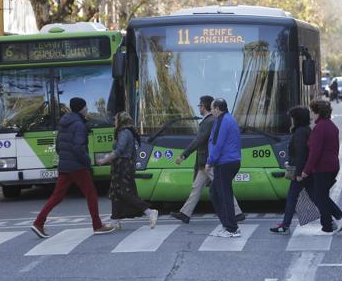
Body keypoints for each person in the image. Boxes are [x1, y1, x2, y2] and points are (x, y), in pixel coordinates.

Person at [32, 97, 115, 238]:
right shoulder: (79, 125)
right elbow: (78, 148)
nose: (87, 109)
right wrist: (87, 163)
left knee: (57, 196)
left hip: (65, 165)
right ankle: (98, 225)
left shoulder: (64, 123)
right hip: (78, 166)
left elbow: (58, 146)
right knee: (91, 195)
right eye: (85, 107)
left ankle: (38, 222)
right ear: (81, 109)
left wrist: (66, 158)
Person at [170, 96, 245, 224]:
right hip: (205, 161)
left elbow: (200, 141)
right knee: (196, 187)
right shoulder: (215, 120)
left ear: (204, 107)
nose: (199, 108)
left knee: (223, 187)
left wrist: (183, 155)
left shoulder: (209, 121)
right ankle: (185, 213)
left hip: (208, 161)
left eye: (200, 106)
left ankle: (237, 213)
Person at [96, 111, 158, 229]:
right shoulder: (127, 131)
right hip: (122, 165)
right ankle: (115, 220)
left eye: (115, 119)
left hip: (123, 165)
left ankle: (149, 211)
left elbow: (119, 150)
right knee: (116, 192)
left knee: (124, 192)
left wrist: (104, 160)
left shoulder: (124, 132)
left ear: (121, 120)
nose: (114, 122)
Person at [301, 99, 342, 234]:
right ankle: (328, 224)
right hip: (333, 165)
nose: (310, 114)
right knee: (321, 195)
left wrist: (306, 170)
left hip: (322, 167)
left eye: (311, 111)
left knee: (319, 196)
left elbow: (315, 152)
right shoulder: (332, 126)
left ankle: (339, 216)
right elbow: (335, 148)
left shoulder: (319, 128)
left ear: (317, 113)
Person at [269, 106, 314, 234]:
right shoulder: (305, 130)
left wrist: (299, 173)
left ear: (297, 119)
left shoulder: (300, 132)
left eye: (292, 118)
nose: (291, 120)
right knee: (315, 196)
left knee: (293, 197)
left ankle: (285, 225)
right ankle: (335, 217)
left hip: (300, 171)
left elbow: (301, 154)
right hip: (302, 169)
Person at [207, 98, 242, 238]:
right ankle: (228, 225)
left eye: (211, 108)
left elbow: (217, 143)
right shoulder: (229, 119)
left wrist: (210, 161)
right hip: (231, 161)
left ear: (217, 109)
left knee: (222, 195)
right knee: (216, 193)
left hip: (224, 162)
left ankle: (231, 228)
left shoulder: (222, 121)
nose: (211, 111)